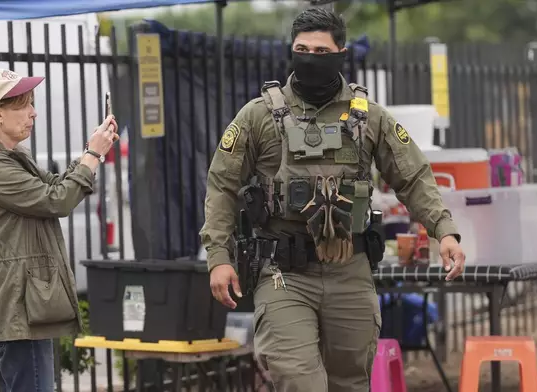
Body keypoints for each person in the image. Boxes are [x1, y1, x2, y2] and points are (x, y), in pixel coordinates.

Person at [200, 8, 466, 392]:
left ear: (341, 53)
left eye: (321, 50)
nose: (310, 57)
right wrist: (218, 258)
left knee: (350, 383)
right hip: (284, 274)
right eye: (301, 48)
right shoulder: (258, 116)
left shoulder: (368, 117)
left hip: (350, 271)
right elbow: (221, 186)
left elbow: (413, 176)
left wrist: (444, 230)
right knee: (299, 380)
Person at [0, 68, 119, 392]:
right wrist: (93, 154)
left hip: (19, 307)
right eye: (24, 105)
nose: (33, 113)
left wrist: (90, 150)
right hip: (15, 312)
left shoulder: (10, 156)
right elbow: (57, 201)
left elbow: (54, 185)